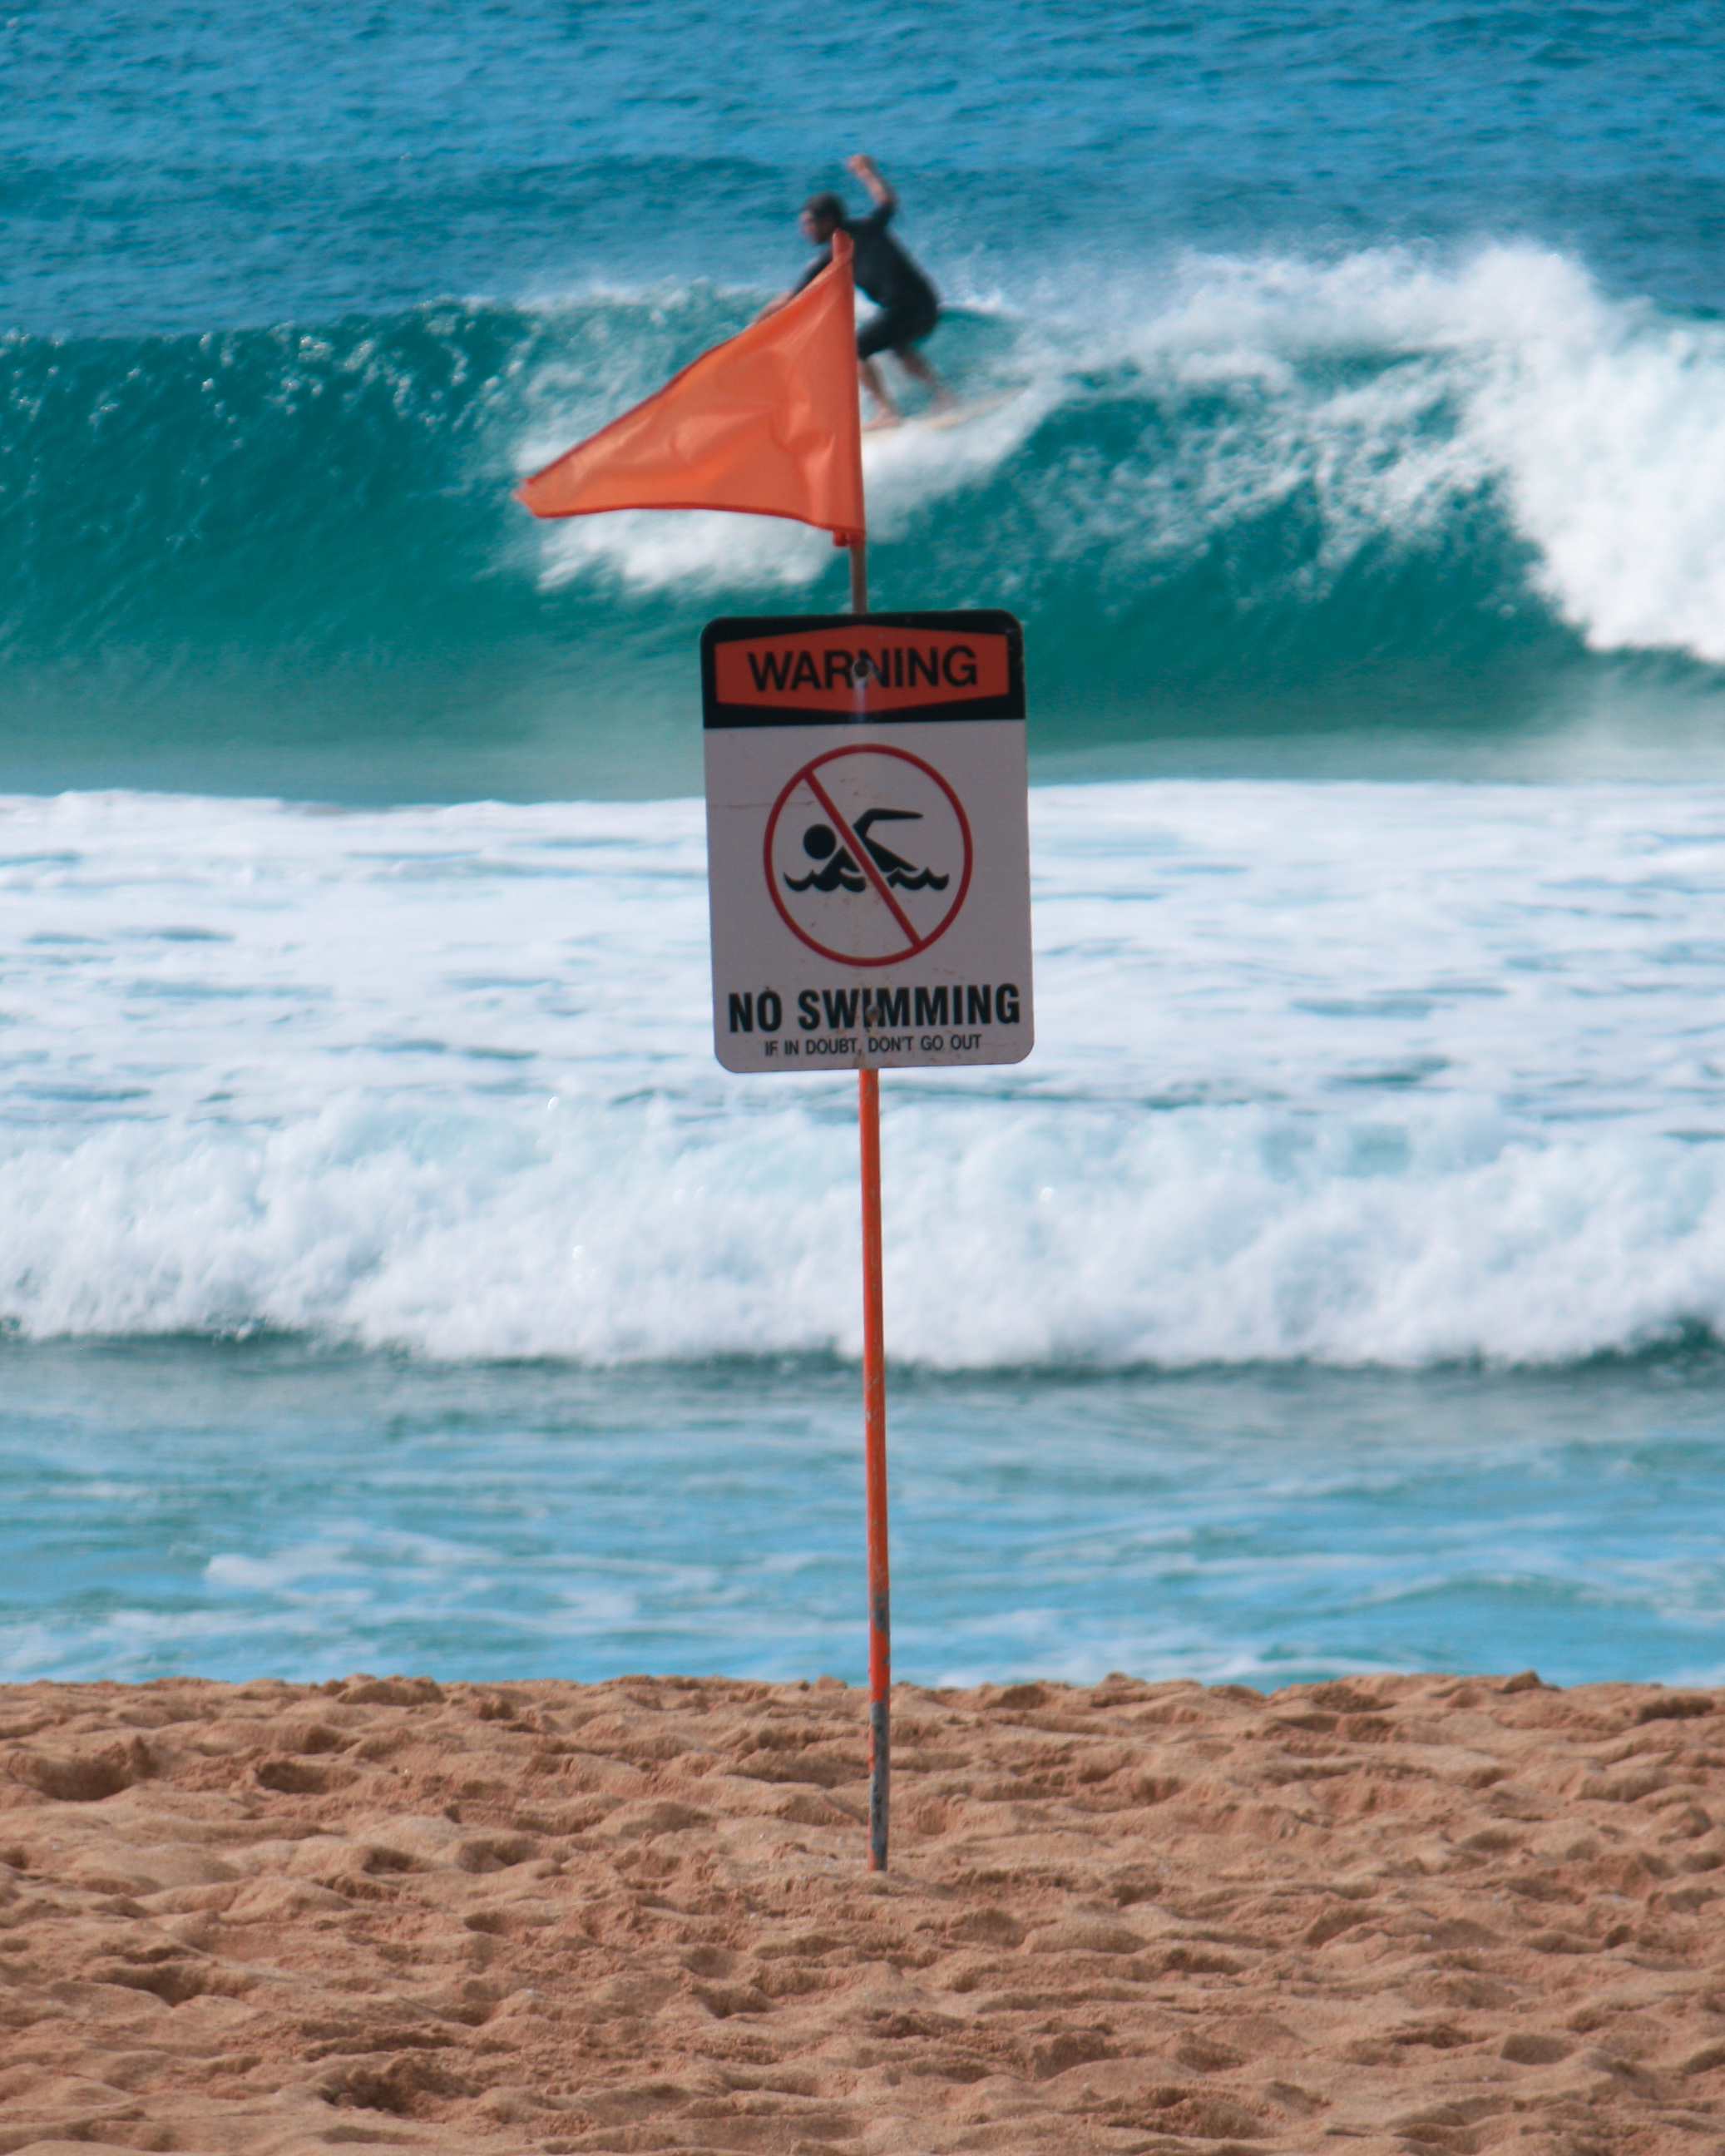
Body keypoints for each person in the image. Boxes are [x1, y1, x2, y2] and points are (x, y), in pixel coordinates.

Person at [761, 155, 952, 427]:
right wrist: (867, 172)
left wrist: (757, 323)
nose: (804, 231)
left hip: (904, 309)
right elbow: (887, 200)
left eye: (809, 223)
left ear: (827, 221)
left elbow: (790, 299)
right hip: (926, 305)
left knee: (853, 349)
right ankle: (944, 396)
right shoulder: (868, 227)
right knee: (897, 346)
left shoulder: (836, 253)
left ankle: (887, 412)